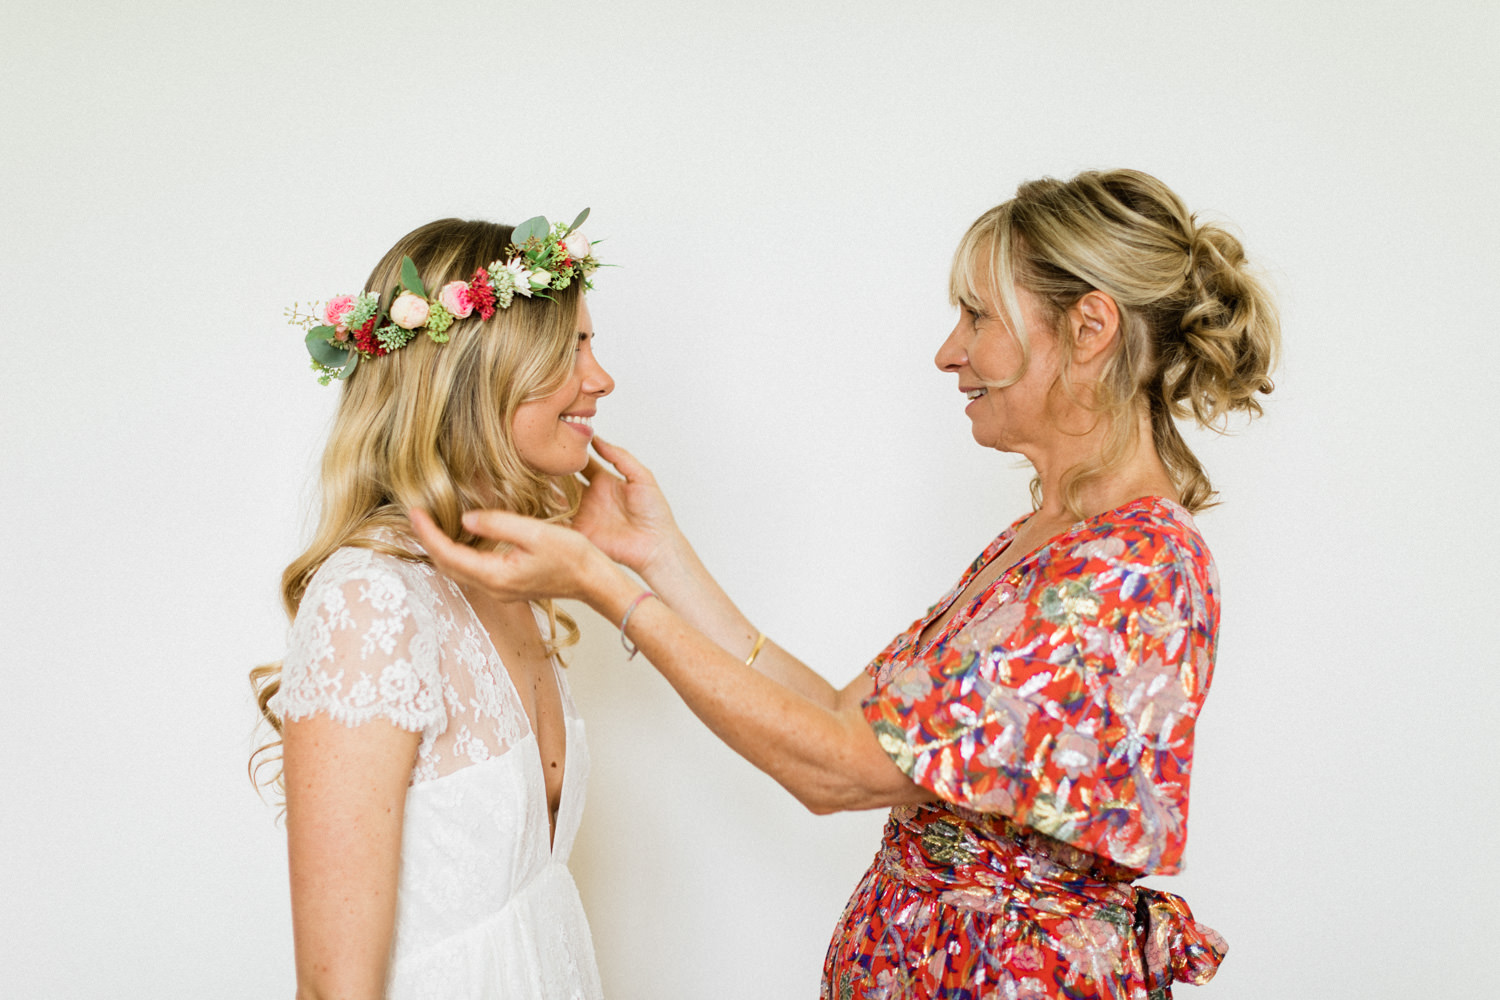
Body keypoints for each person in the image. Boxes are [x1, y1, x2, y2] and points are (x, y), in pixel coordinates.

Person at [410, 169, 1280, 999]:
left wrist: (605, 588)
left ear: (1089, 329)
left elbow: (839, 771)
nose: (950, 352)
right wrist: (658, 556)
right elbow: (841, 715)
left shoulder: (1131, 568)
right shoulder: (1044, 540)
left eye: (978, 316)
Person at [249, 212, 614, 1000]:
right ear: (481, 372)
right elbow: (334, 987)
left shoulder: (505, 581)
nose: (602, 380)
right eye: (572, 350)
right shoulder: (372, 599)